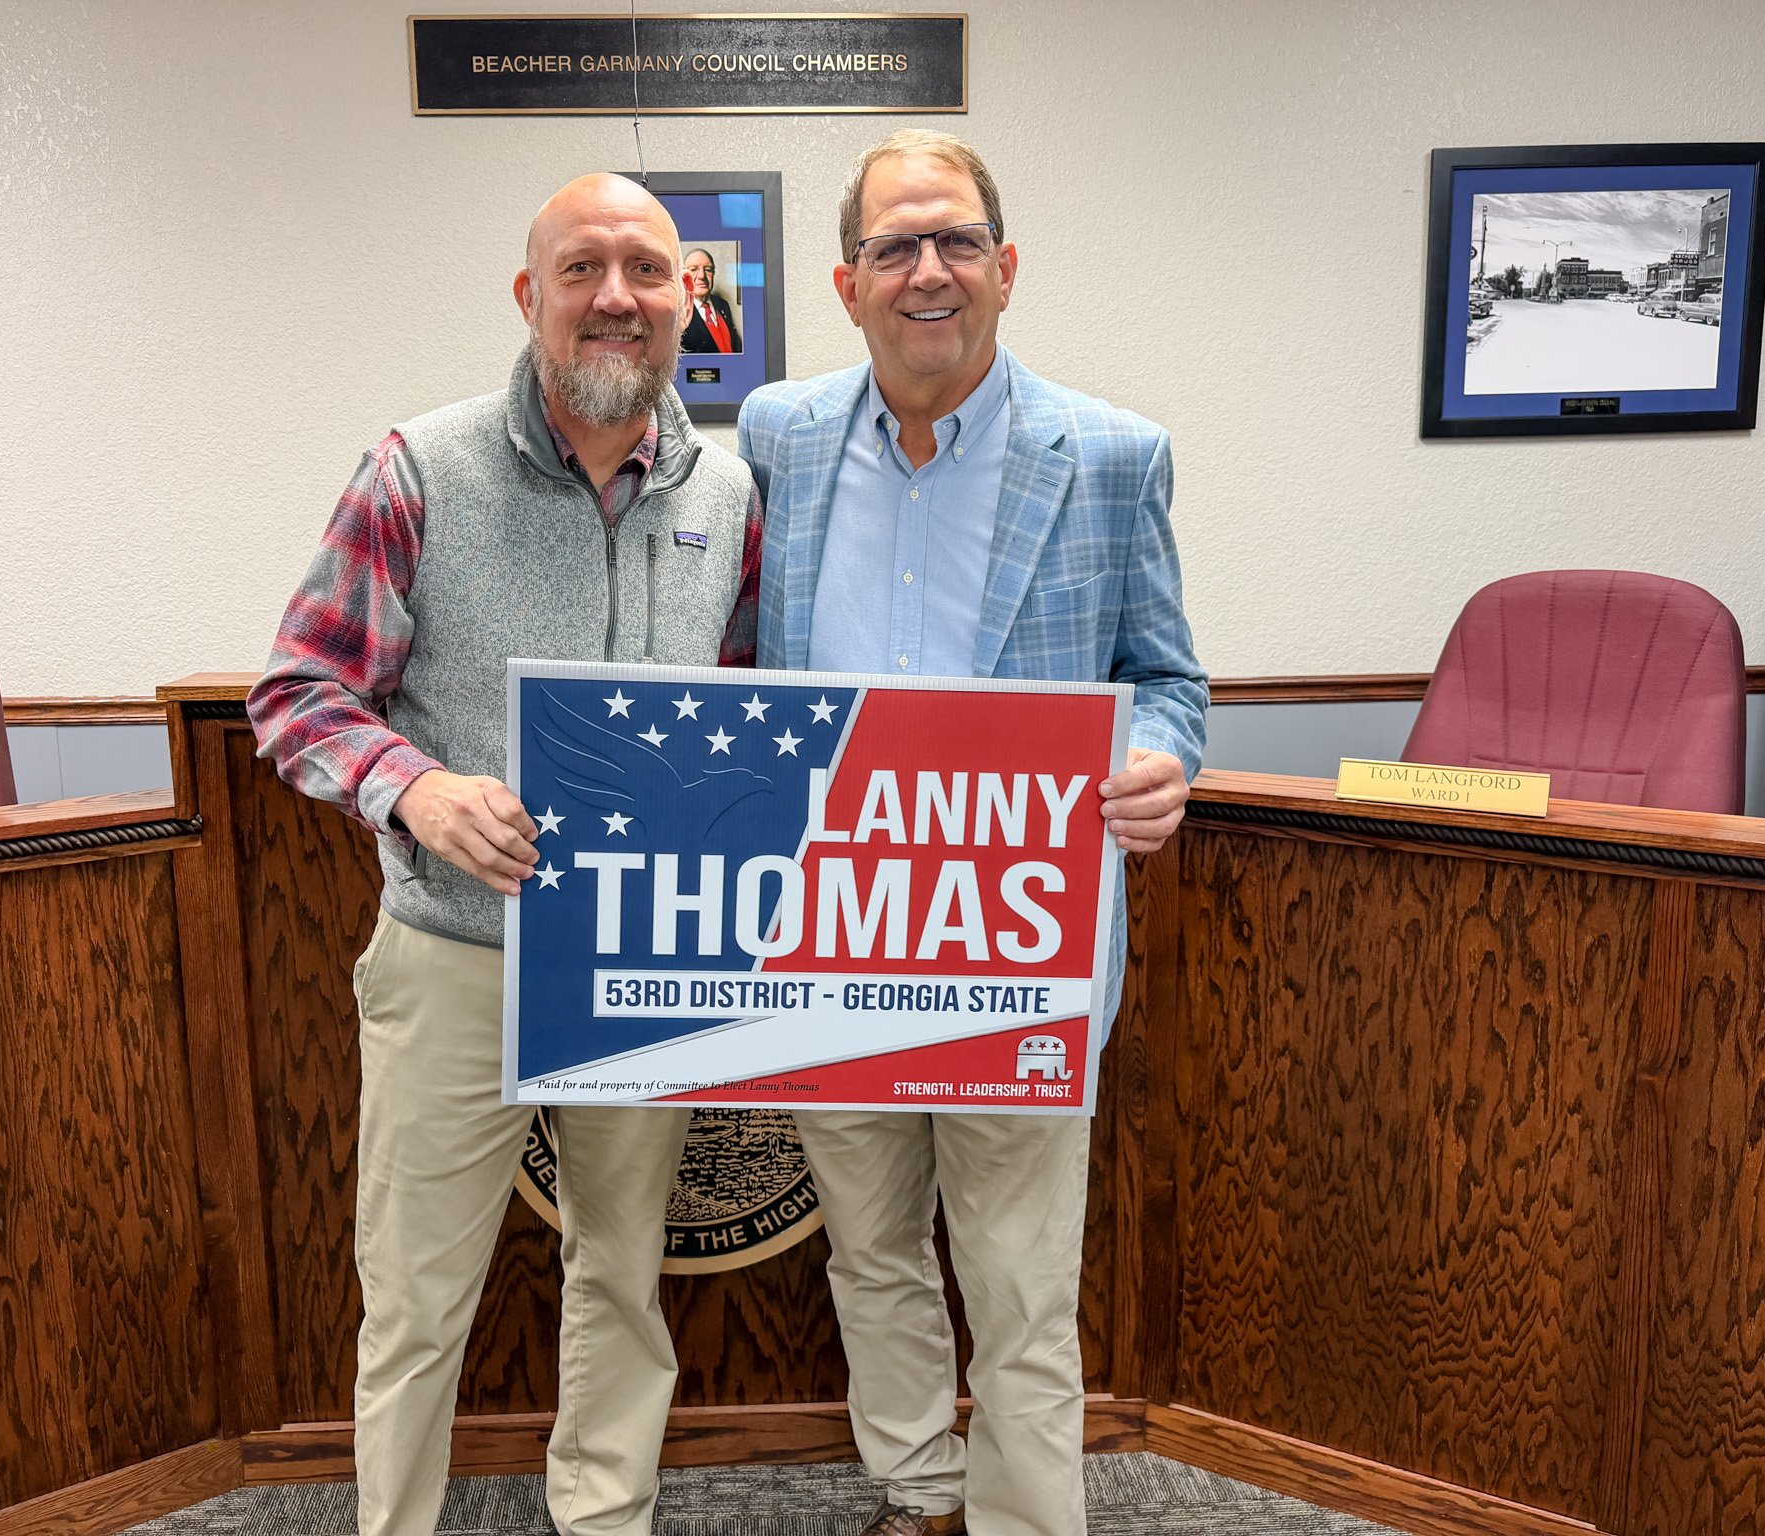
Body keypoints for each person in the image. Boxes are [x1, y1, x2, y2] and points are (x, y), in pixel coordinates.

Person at [248, 171, 761, 1536]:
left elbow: (755, 710)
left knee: (621, 1272)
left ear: (687, 301)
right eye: (581, 268)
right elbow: (296, 692)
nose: (617, 298)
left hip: (635, 967)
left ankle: (606, 1516)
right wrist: (411, 791)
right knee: (417, 1297)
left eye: (648, 271)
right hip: (454, 958)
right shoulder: (421, 468)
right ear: (528, 295)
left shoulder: (729, 491)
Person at [737, 130, 1207, 1536]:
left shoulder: (1115, 457)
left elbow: (1170, 676)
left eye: (953, 244)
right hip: (832, 935)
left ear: (1005, 270)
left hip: (1023, 947)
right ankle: (917, 1494)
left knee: (1016, 1279)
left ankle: (1020, 1519)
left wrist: (1159, 759)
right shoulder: (778, 436)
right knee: (871, 1253)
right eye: (894, 246)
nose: (925, 271)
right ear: (846, 279)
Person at [680, 246, 743, 354]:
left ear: (713, 273)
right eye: (694, 269)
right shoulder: (679, 313)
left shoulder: (723, 304)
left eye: (708, 269)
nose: (702, 276)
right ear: (684, 276)